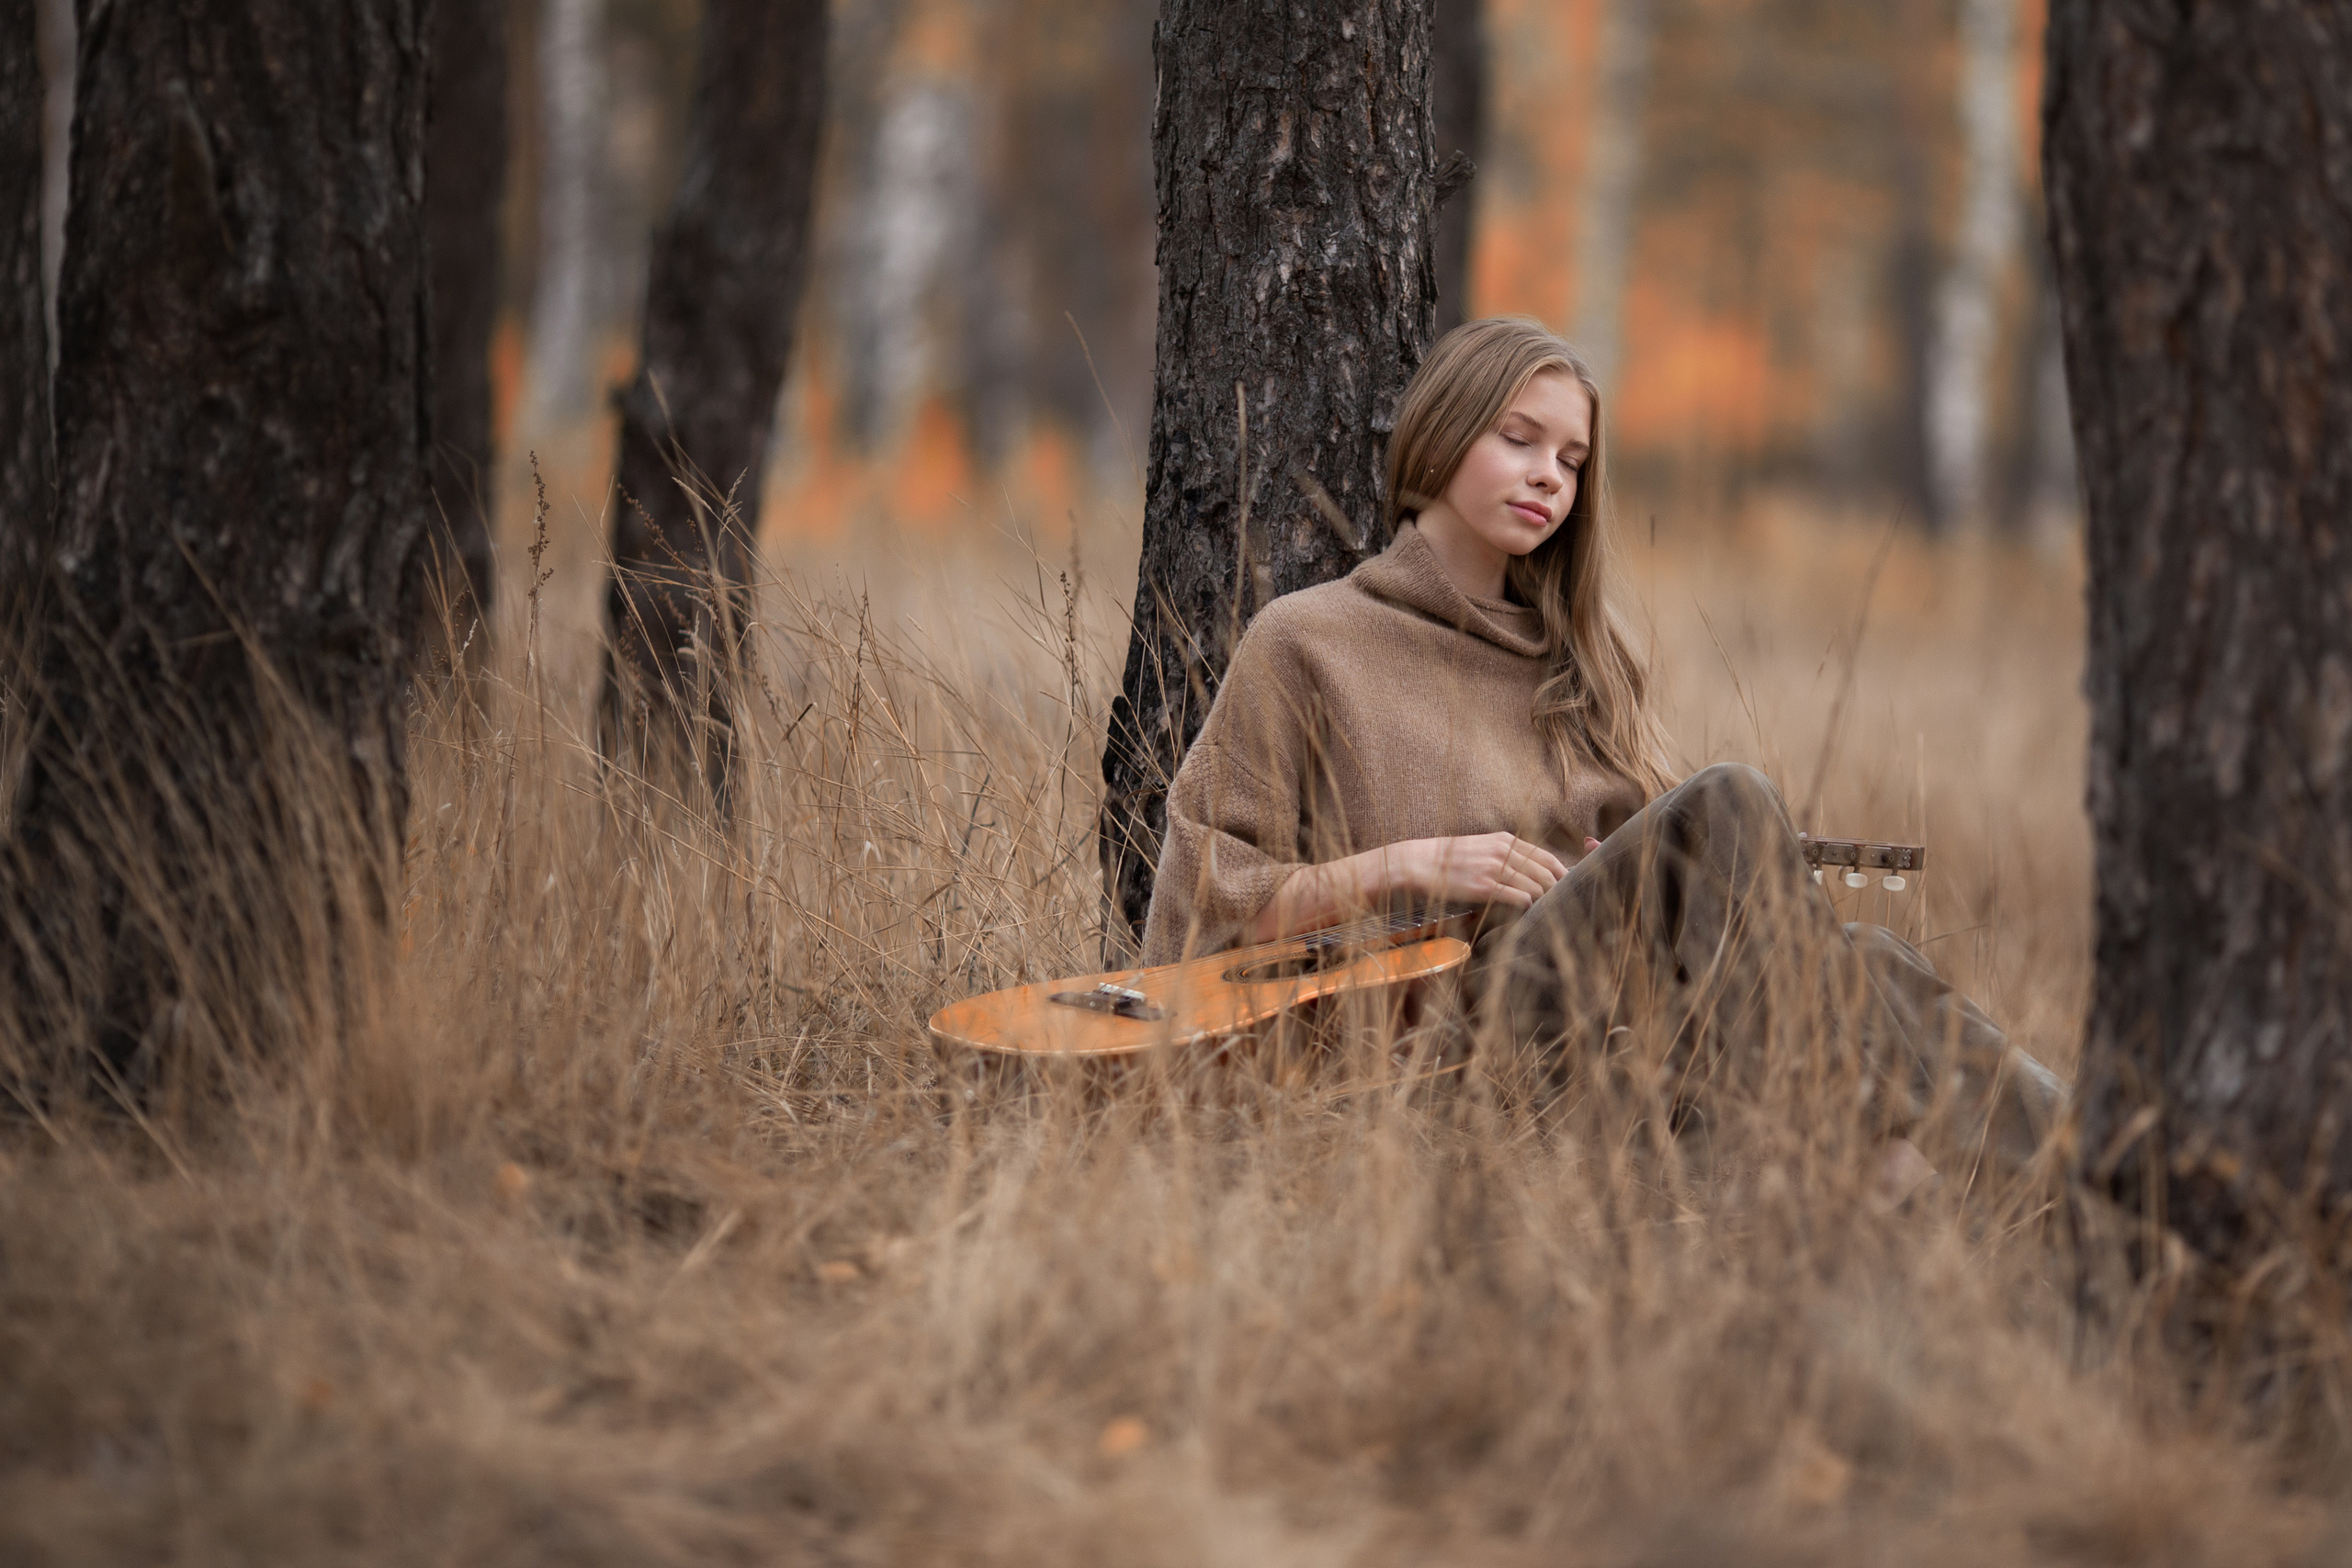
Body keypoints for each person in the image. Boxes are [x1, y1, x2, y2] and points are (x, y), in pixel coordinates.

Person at [1140, 316, 2064, 1183]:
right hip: (1449, 1047)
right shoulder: (1307, 641)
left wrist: (1614, 872)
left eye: (1572, 460)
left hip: (1625, 1032)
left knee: (1864, 959)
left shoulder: (1586, 654)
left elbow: (1707, 928)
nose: (1548, 475)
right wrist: (1407, 864)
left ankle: (2102, 1187)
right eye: (1518, 438)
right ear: (1441, 434)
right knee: (1730, 798)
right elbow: (1196, 915)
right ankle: (1836, 1158)